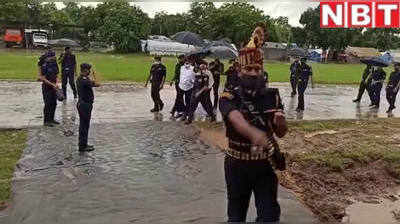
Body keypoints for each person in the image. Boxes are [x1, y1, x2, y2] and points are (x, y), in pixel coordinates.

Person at [219, 23, 287, 223]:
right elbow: (235, 119)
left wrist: (281, 122)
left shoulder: (272, 96)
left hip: (264, 164)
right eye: (249, 68)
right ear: (239, 70)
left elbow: (281, 133)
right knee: (236, 214)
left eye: (257, 68)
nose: (254, 72)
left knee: (269, 215)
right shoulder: (228, 95)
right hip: (236, 164)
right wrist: (253, 133)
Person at [76, 63, 100, 152]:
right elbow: (98, 84)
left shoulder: (81, 78)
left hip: (83, 104)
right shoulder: (84, 80)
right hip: (85, 105)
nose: (89, 71)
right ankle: (82, 146)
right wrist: (95, 74)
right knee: (84, 126)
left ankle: (83, 144)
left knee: (84, 125)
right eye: (88, 70)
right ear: (85, 70)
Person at [38, 51, 60, 127]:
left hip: (54, 86)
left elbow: (57, 75)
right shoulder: (44, 65)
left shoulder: (54, 64)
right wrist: (52, 84)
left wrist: (56, 83)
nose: (54, 57)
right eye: (53, 56)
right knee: (48, 104)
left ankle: (52, 119)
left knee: (54, 103)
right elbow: (43, 78)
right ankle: (46, 121)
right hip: (47, 87)